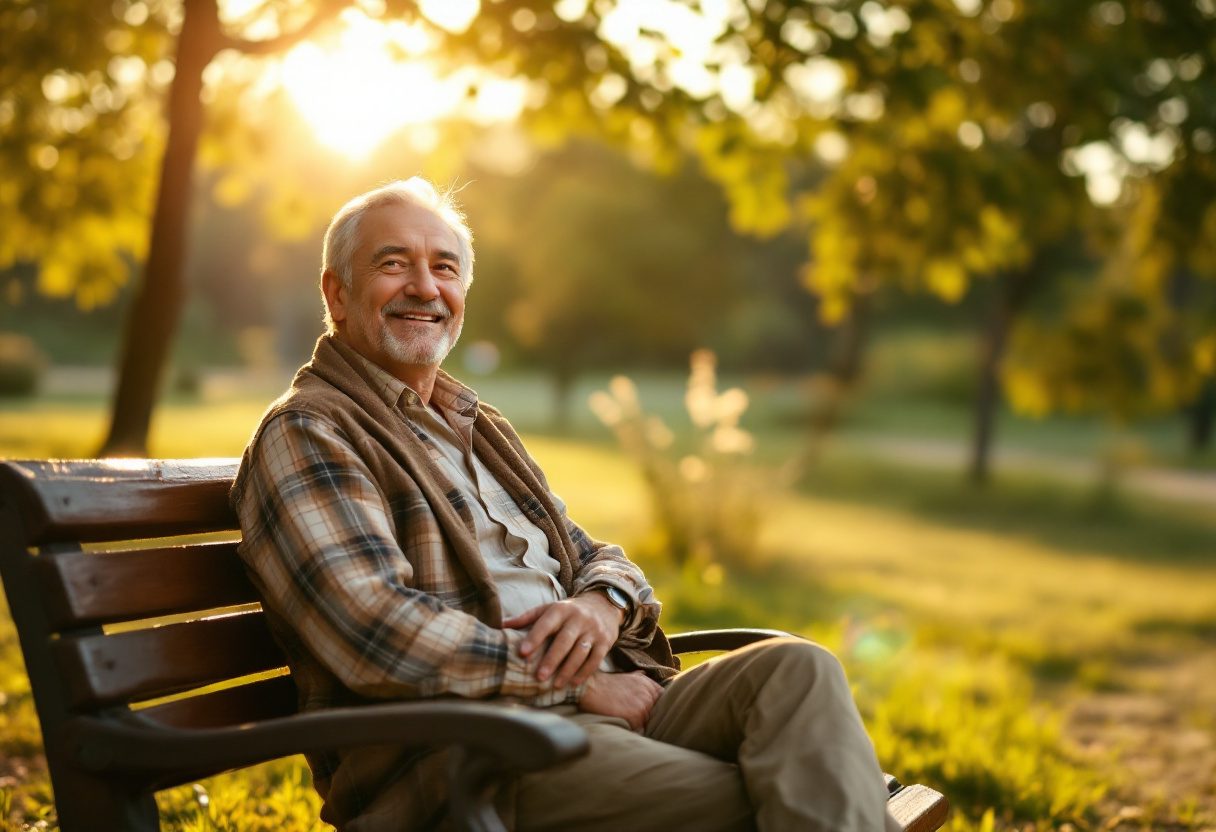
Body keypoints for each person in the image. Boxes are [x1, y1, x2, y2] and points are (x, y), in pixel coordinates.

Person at [232, 177, 900, 831]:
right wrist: (575, 683)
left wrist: (601, 605)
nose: (426, 287)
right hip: (476, 755)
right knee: (793, 795)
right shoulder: (311, 431)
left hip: (610, 706)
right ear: (337, 293)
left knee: (798, 669)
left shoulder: (476, 426)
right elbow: (376, 632)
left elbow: (596, 556)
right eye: (393, 263)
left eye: (445, 267)